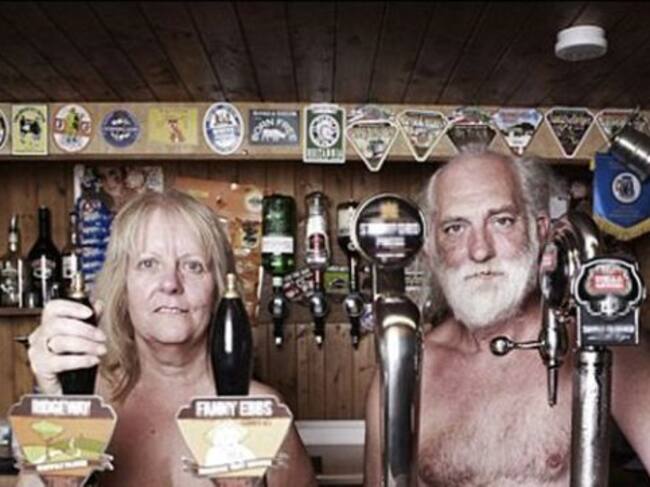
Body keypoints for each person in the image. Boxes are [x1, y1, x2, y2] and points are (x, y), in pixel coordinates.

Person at [364, 149, 650, 486]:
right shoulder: (406, 367)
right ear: (430, 249)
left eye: (502, 221)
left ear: (540, 231)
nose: (480, 250)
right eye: (455, 228)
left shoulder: (600, 345)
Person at [23, 189, 316, 487]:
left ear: (219, 289)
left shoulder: (262, 410)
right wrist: (59, 405)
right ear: (122, 286)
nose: (170, 283)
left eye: (193, 265)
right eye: (149, 263)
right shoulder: (88, 400)